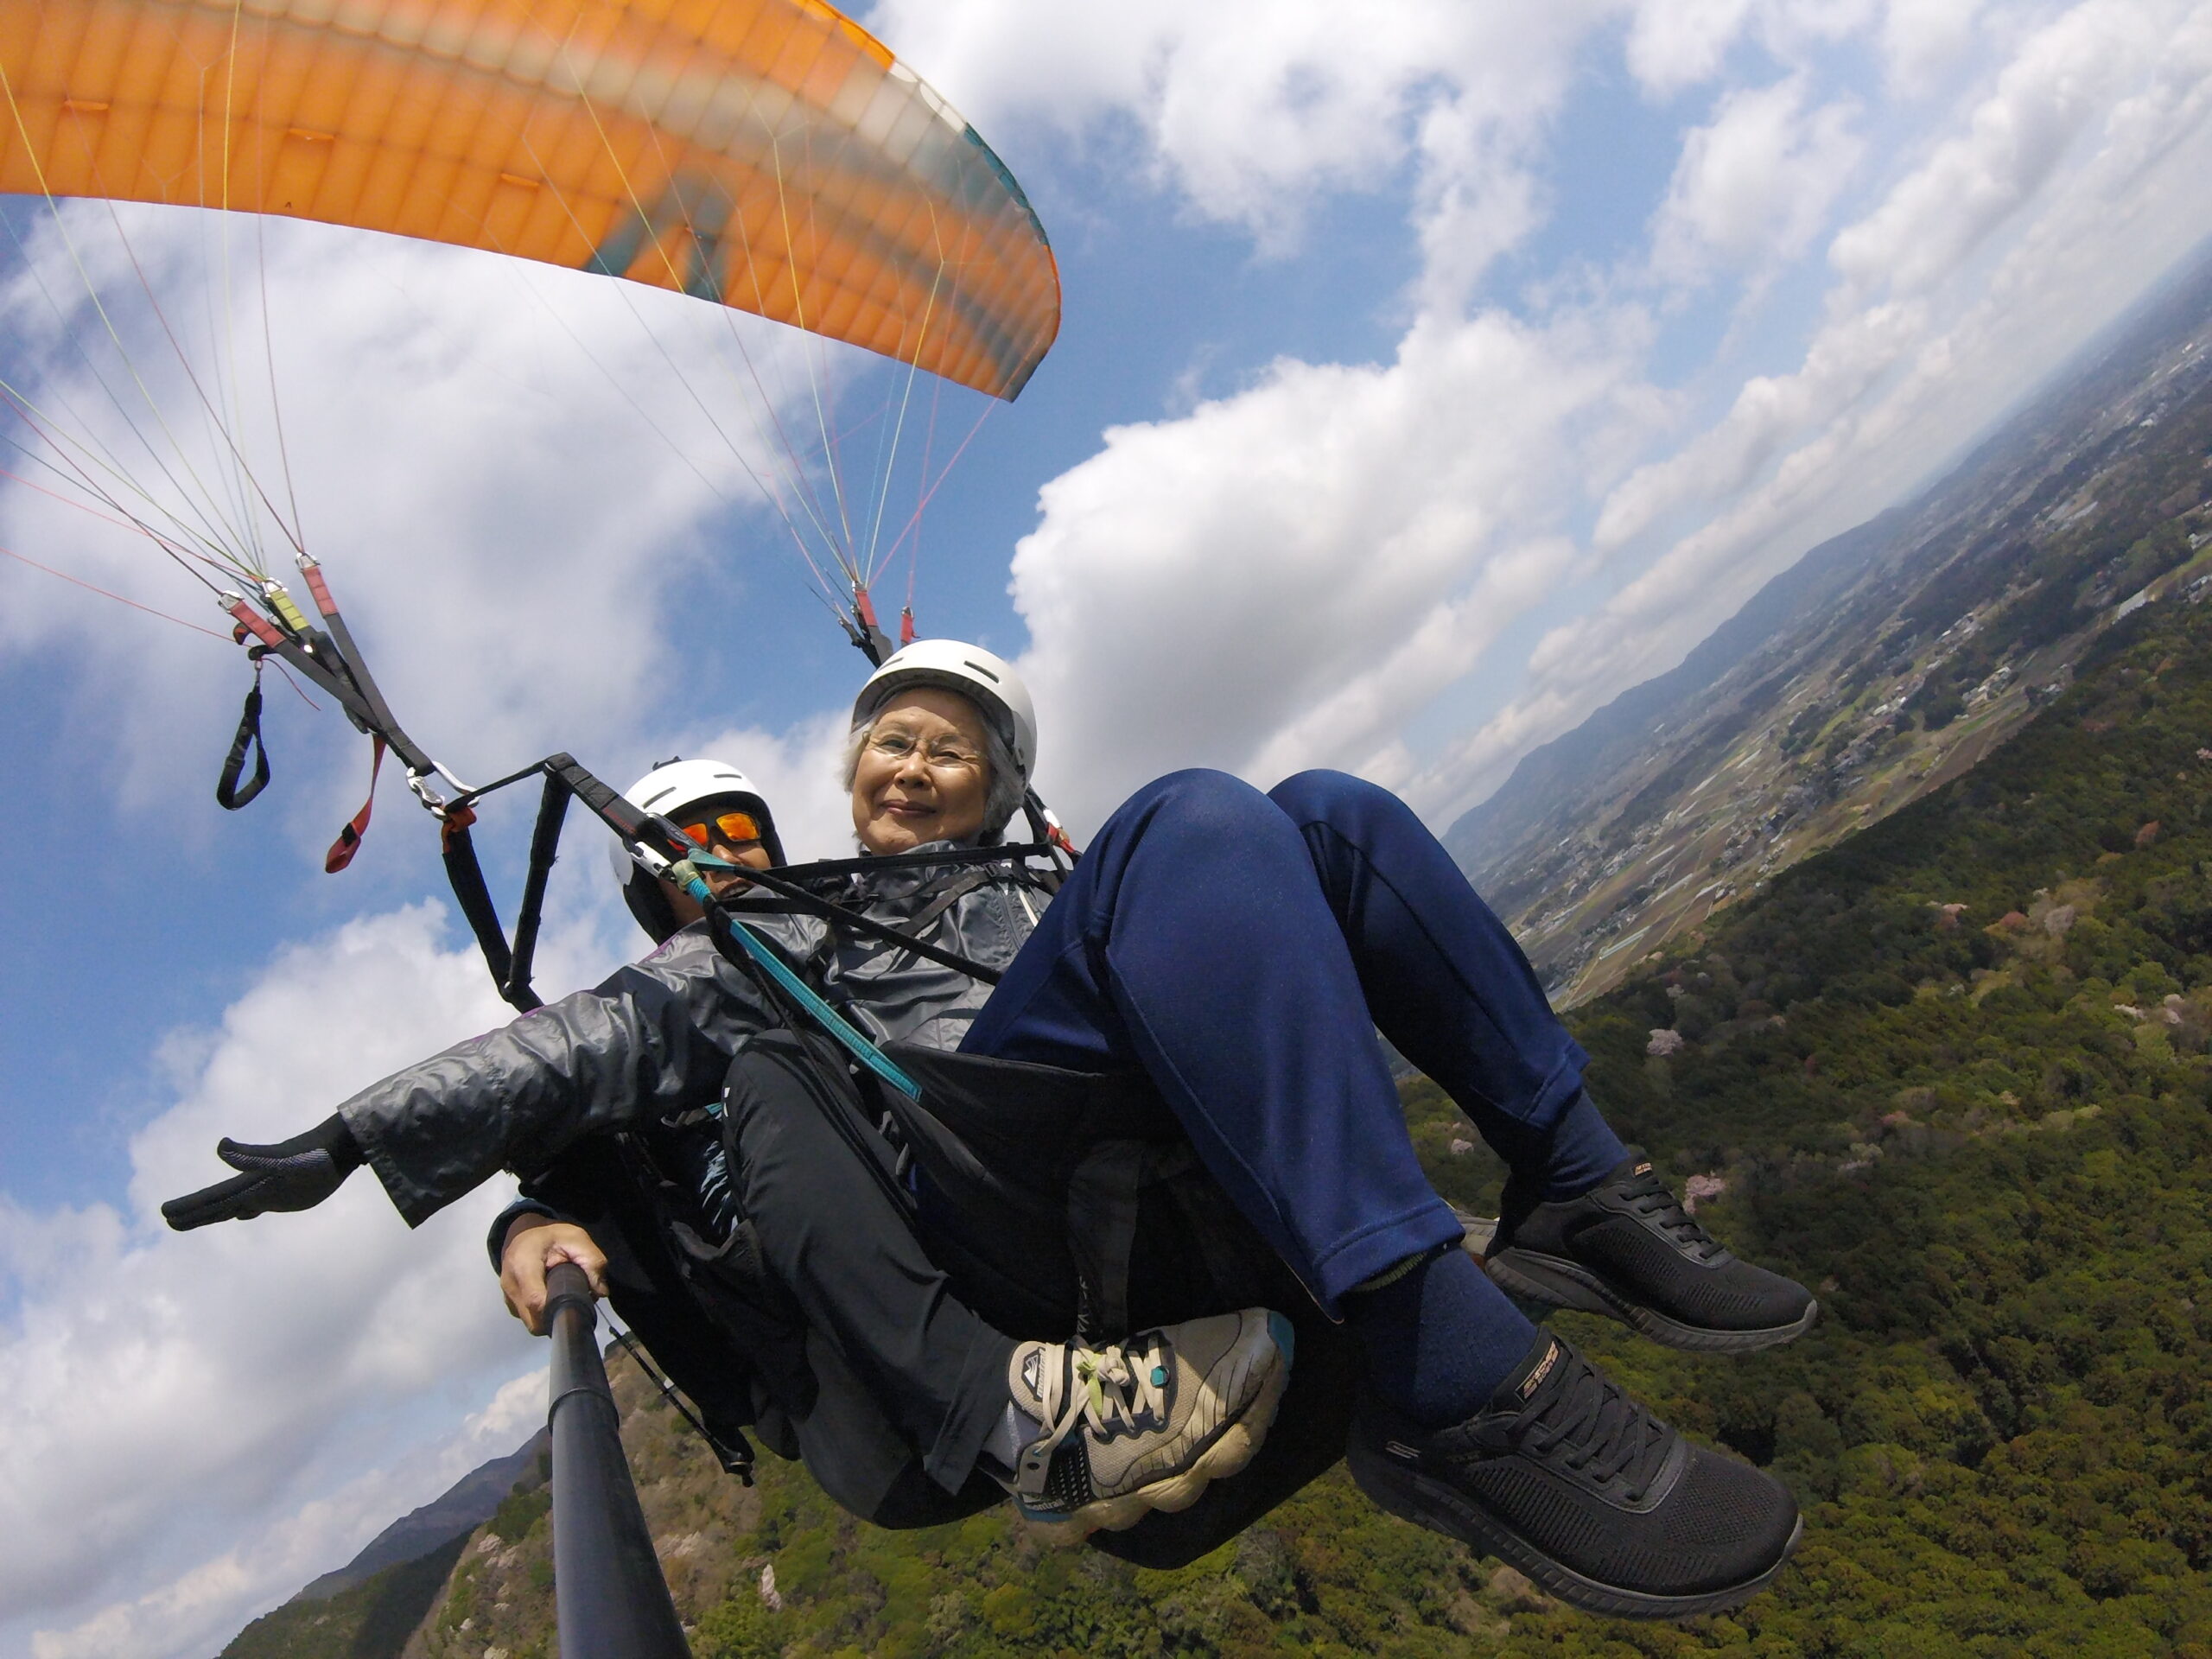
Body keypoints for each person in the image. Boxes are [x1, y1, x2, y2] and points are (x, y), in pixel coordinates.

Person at [169, 640, 1814, 1615]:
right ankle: (1450, 1384)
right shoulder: (756, 955)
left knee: (1325, 814)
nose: (909, 765)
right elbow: (594, 1046)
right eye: (889, 741)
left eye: (947, 750)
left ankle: (1580, 1184)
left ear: (1001, 788)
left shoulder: (1026, 882)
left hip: (1129, 1138)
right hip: (988, 1208)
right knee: (1177, 824)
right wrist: (367, 1134)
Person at [163, 747, 1296, 1541]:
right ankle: (1010, 1418)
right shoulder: (648, 1053)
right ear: (653, 901)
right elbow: (565, 1097)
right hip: (860, 1399)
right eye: (688, 851)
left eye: (739, 837)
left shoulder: (848, 955)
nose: (718, 860)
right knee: (767, 1067)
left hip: (1001, 1270)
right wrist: (462, 1190)